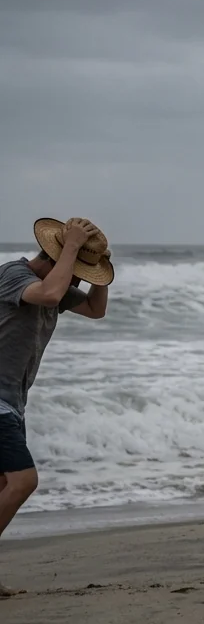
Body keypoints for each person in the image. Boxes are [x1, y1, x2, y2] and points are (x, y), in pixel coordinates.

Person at [0, 217, 113, 597]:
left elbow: (97, 311)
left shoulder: (58, 285)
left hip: (12, 404)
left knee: (3, 486)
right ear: (53, 255)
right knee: (23, 481)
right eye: (75, 272)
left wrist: (101, 272)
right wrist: (70, 250)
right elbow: (47, 294)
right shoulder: (13, 275)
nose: (74, 282)